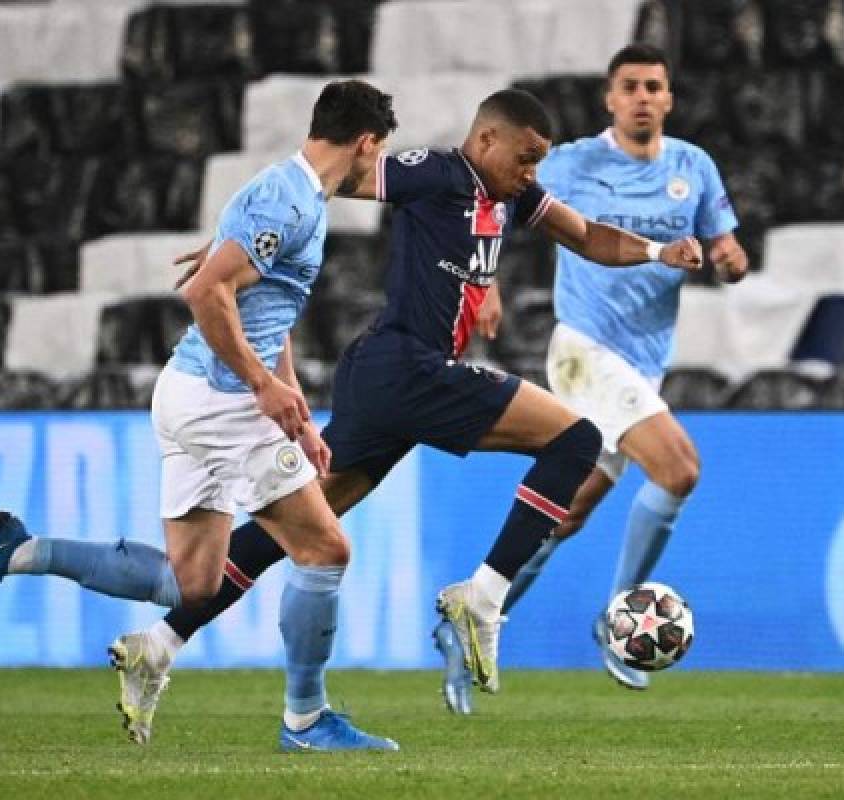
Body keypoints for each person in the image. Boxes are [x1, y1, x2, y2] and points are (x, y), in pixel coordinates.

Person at [106, 86, 706, 736]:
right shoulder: (437, 173)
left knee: (297, 531)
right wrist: (238, 246)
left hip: (387, 381)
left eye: (539, 163)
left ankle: (158, 646)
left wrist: (657, 252)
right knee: (575, 440)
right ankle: (483, 597)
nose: (531, 174)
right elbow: (342, 173)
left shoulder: (516, 196)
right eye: (525, 159)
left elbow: (588, 235)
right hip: (405, 366)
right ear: (486, 142)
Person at [0, 80, 403, 751]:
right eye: (375, 154)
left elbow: (266, 307)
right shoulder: (289, 199)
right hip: (220, 401)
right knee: (325, 549)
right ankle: (306, 720)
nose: (371, 168)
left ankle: (19, 550)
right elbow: (205, 291)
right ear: (365, 142)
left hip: (194, 395)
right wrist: (263, 386)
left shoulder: (290, 198)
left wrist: (289, 406)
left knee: (192, 583)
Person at [439, 43, 749, 709]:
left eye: (654, 86)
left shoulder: (693, 168)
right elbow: (492, 202)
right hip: (583, 351)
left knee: (565, 515)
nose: (642, 96)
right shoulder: (575, 161)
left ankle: (471, 624)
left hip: (641, 366)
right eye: (630, 86)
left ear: (668, 98)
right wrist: (482, 280)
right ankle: (621, 624)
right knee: (679, 468)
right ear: (611, 98)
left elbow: (724, 241)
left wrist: (726, 257)